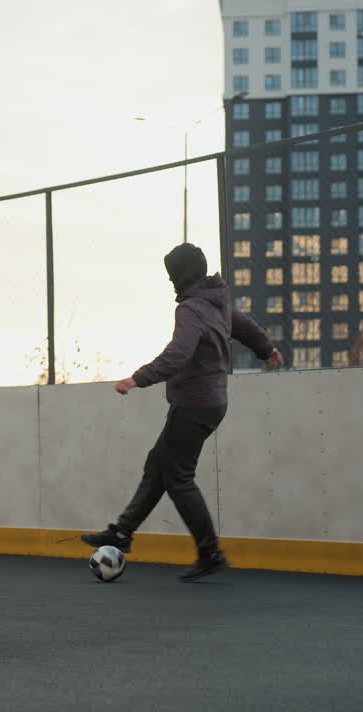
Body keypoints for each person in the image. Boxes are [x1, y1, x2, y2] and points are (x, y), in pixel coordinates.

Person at [82, 243, 282, 582]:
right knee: (158, 464)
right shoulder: (215, 303)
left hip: (194, 403)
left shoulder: (191, 309)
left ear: (179, 276)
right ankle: (121, 532)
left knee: (177, 477)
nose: (170, 282)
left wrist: (137, 378)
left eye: (171, 275)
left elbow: (179, 352)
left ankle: (209, 552)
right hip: (211, 401)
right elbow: (244, 325)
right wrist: (268, 350)